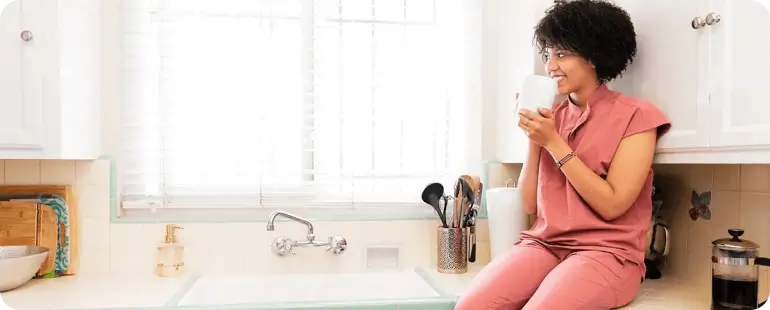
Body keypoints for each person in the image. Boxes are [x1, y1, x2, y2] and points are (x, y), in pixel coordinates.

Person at [454, 0, 671, 309]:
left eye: (562, 54)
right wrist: (534, 137)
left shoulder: (637, 116)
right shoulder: (552, 117)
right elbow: (529, 204)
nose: (550, 66)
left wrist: (554, 142)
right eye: (548, 55)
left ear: (594, 55)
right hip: (544, 245)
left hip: (607, 253)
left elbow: (612, 205)